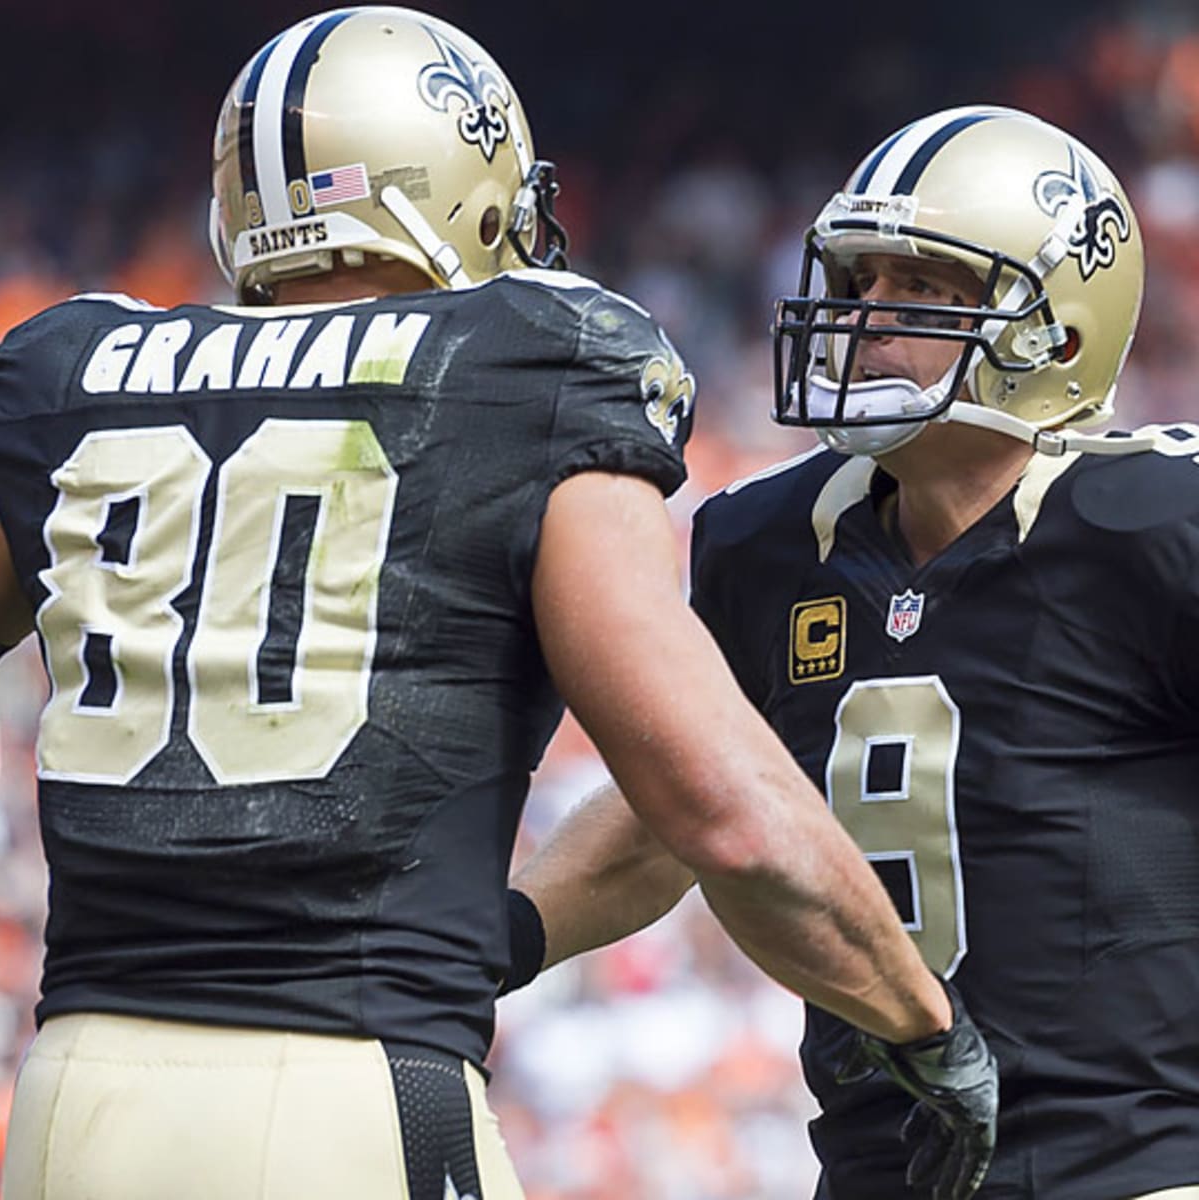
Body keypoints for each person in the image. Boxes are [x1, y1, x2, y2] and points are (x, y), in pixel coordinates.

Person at [0, 13, 996, 1200]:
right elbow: (711, 798)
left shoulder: (65, 364)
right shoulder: (529, 358)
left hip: (71, 1092)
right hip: (346, 1090)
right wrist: (922, 1024)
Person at [508, 105, 1199, 1198]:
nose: (869, 317)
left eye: (921, 289)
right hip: (883, 1168)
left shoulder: (1157, 529)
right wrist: (493, 944)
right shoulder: (768, 544)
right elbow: (676, 814)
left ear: (1056, 337)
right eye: (862, 282)